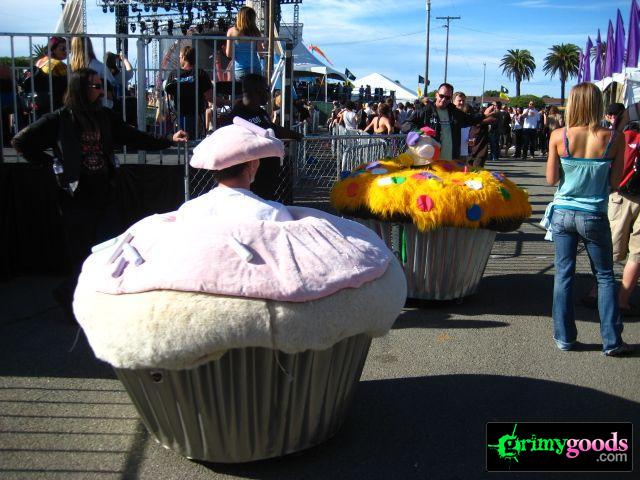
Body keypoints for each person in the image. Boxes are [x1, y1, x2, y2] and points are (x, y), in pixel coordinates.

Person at [11, 68, 188, 321]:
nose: (101, 91)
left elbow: (133, 137)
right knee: (82, 253)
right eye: (95, 86)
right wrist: (50, 163)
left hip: (105, 191)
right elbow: (21, 141)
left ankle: (85, 296)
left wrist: (168, 139)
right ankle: (71, 297)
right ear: (80, 89)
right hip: (76, 196)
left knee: (110, 249)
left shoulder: (104, 116)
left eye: (101, 85)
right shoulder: (59, 119)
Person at [542, 82, 629, 356]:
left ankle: (564, 337)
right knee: (604, 276)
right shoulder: (614, 138)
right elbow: (615, 183)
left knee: (563, 275)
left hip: (563, 212)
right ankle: (612, 340)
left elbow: (551, 179)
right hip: (594, 213)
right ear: (598, 105)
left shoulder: (559, 136)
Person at [220, 74, 302, 202]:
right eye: (266, 90)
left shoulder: (261, 112)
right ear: (257, 91)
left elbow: (272, 128)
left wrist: (294, 135)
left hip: (268, 178)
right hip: (251, 182)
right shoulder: (236, 116)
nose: (269, 94)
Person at [402, 83, 496, 160]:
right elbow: (405, 125)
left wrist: (484, 114)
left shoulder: (454, 112)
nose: (444, 99)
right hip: (429, 161)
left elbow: (470, 119)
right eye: (441, 96)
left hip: (451, 160)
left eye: (447, 98)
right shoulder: (424, 111)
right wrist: (420, 131)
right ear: (436, 95)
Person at [164, 45, 213, 141]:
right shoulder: (201, 74)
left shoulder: (173, 74)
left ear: (183, 57)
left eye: (180, 56)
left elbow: (169, 98)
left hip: (178, 114)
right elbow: (209, 96)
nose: (179, 58)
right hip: (197, 113)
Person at [25, 36, 69, 116]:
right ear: (53, 49)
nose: (66, 51)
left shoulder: (40, 61)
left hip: (39, 102)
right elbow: (70, 82)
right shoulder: (58, 64)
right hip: (56, 104)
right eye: (63, 48)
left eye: (68, 49)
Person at [70, 37, 115, 108]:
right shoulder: (99, 67)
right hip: (101, 107)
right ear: (90, 46)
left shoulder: (70, 69)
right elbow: (111, 90)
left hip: (78, 107)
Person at [225, 6, 264, 79]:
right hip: (255, 68)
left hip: (240, 68)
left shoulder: (231, 31)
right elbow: (261, 53)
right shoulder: (256, 32)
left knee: (240, 86)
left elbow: (229, 54)